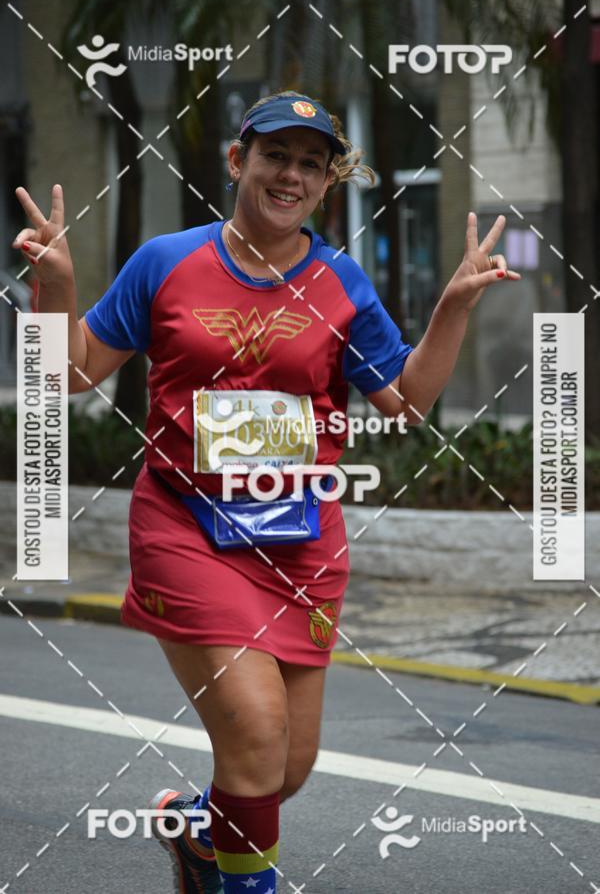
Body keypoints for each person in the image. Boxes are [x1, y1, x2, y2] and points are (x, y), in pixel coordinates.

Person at [13, 90, 519, 893]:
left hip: (301, 544)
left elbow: (407, 401)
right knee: (253, 733)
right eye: (275, 156)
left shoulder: (342, 284)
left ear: (327, 183)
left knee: (284, 768)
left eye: (310, 165)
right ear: (237, 160)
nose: (290, 175)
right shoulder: (166, 261)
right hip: (187, 529)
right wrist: (57, 289)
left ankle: (194, 832)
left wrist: (452, 306)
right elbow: (69, 375)